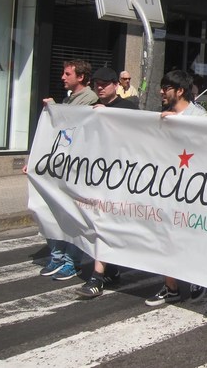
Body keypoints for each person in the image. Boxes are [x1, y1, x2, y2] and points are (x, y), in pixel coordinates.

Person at [145, 70, 207, 306]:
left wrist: (178, 125)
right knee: (166, 235)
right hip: (167, 186)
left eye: (166, 87)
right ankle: (170, 286)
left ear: (180, 91)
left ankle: (196, 276)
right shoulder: (162, 115)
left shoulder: (198, 116)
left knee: (190, 235)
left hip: (193, 188)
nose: (162, 91)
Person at [76, 67, 139, 298]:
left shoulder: (129, 108)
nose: (100, 87)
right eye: (97, 84)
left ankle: (97, 278)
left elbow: (138, 138)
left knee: (106, 224)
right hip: (98, 177)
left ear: (116, 85)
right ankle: (109, 270)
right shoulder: (91, 109)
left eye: (105, 83)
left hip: (120, 178)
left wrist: (109, 117)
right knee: (100, 224)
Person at [39, 59, 98, 281]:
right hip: (62, 165)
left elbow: (73, 124)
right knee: (55, 211)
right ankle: (57, 255)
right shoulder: (69, 99)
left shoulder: (89, 99)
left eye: (67, 74)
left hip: (77, 168)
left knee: (74, 214)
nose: (62, 78)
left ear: (80, 77)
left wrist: (56, 110)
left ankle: (71, 260)